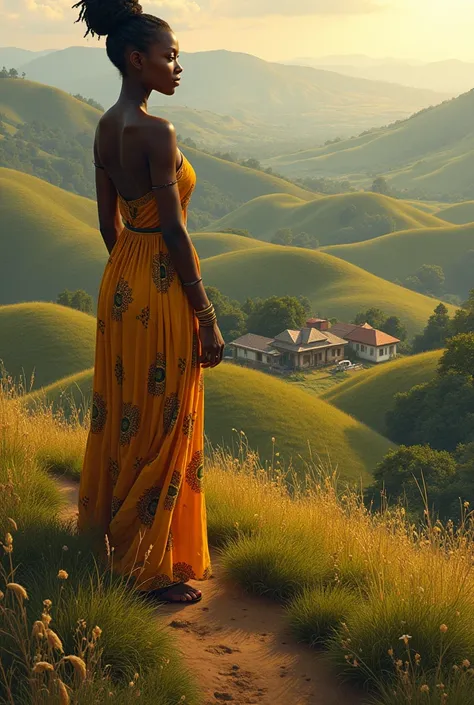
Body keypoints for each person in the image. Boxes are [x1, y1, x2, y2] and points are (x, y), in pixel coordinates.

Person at [73, 0, 225, 604]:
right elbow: (175, 229)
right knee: (164, 416)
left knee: (125, 409)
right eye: (170, 57)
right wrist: (204, 315)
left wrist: (126, 277)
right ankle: (148, 564)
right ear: (137, 60)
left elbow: (109, 223)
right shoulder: (157, 131)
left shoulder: (106, 126)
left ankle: (116, 537)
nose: (178, 67)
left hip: (122, 282)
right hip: (161, 284)